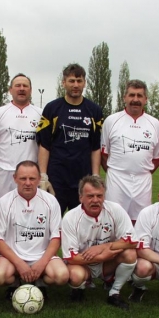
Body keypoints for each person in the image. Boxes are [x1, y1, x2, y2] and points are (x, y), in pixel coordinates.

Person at [0, 161, 69, 298]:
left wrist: (41, 264)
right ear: (15, 178)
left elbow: (56, 237)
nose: (28, 183)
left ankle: (40, 282)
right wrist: (19, 264)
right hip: (13, 258)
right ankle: (15, 282)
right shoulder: (4, 202)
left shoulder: (51, 201)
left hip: (41, 256)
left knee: (62, 276)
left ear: (39, 179)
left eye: (32, 178)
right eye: (23, 178)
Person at [61, 175, 137, 310]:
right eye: (90, 196)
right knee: (75, 276)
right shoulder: (70, 218)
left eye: (99, 196)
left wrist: (104, 246)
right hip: (83, 264)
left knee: (130, 254)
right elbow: (71, 257)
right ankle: (80, 287)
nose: (95, 200)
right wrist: (101, 256)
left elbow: (132, 241)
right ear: (81, 198)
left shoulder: (115, 209)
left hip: (108, 262)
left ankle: (114, 292)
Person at [36, 64, 103, 213]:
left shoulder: (94, 111)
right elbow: (44, 145)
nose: (76, 85)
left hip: (83, 179)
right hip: (56, 178)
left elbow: (95, 147)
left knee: (82, 221)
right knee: (51, 220)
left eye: (79, 81)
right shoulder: (52, 108)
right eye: (71, 81)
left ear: (85, 83)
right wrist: (43, 176)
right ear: (64, 82)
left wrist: (95, 175)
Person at [101, 80, 159, 222]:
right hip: (117, 179)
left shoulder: (154, 124)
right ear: (124, 97)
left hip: (143, 181)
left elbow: (157, 158)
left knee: (141, 221)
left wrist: (140, 171)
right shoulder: (111, 121)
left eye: (139, 96)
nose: (135, 99)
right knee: (114, 220)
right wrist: (118, 171)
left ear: (146, 99)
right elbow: (104, 154)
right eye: (132, 95)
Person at [0, 74, 42, 198]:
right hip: (5, 171)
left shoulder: (41, 114)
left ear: (31, 90)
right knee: (3, 205)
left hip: (31, 173)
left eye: (25, 86)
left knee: (30, 206)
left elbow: (44, 145)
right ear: (10, 90)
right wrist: (4, 157)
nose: (21, 88)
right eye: (18, 85)